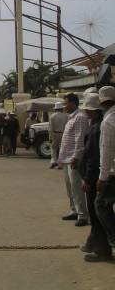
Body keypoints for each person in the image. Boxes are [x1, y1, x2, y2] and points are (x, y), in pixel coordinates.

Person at [78, 92, 112, 262]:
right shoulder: (99, 123)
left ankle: (102, 249)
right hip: (98, 174)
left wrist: (87, 178)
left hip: (95, 177)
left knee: (96, 212)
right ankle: (93, 242)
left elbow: (94, 155)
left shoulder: (97, 127)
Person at [58, 93, 89, 226]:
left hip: (73, 159)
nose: (64, 106)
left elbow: (79, 139)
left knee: (76, 187)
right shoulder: (71, 118)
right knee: (69, 187)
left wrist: (76, 157)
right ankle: (74, 210)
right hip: (66, 158)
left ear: (73, 103)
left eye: (66, 103)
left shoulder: (80, 117)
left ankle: (82, 215)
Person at [95, 86, 115, 252]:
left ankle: (113, 238)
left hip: (112, 174)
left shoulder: (108, 122)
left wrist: (102, 177)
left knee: (100, 205)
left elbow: (106, 151)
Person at [49, 102, 68, 169]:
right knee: (61, 149)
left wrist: (50, 137)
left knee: (53, 148)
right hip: (63, 134)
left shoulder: (53, 116)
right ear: (61, 108)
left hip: (55, 134)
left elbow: (51, 128)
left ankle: (53, 161)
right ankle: (60, 164)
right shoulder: (66, 116)